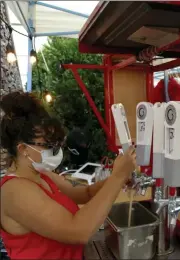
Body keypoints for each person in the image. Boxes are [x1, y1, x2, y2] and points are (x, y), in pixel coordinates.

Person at [0, 91, 136, 259]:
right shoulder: (14, 192)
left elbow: (85, 194)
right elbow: (78, 231)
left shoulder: (43, 174)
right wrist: (117, 178)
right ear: (23, 149)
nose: (57, 152)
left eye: (58, 144)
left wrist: (117, 177)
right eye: (50, 146)